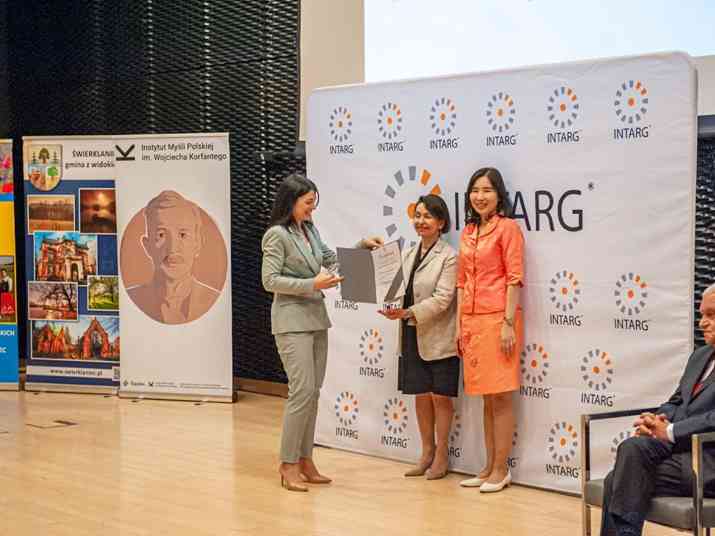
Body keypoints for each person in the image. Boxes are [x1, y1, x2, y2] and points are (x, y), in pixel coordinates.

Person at [261, 173, 382, 492]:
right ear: (291, 201)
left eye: (314, 203)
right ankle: (288, 463)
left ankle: (305, 460)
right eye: (308, 203)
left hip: (316, 319)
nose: (312, 209)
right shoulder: (276, 235)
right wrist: (311, 284)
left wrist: (361, 248)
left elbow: (331, 260)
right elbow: (269, 280)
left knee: (313, 394)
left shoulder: (309, 229)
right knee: (301, 392)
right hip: (291, 322)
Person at [600, 285, 715, 536]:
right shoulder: (700, 356)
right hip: (679, 453)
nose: (702, 323)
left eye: (711, 315)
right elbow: (677, 401)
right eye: (701, 315)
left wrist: (671, 431)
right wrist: (656, 420)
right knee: (631, 450)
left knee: (615, 480)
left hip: (707, 462)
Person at [379, 194, 459, 480]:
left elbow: (443, 299)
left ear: (441, 223)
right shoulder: (408, 253)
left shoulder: (449, 256)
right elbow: (396, 288)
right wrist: (393, 307)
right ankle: (426, 452)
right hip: (411, 333)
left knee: (440, 398)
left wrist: (409, 312)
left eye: (428, 216)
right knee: (421, 396)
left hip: (439, 337)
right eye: (418, 215)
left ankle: (442, 455)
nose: (421, 221)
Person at [457, 167, 525, 493]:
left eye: (487, 190)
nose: (480, 196)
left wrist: (508, 323)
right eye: (475, 190)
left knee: (500, 396)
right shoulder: (468, 231)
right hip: (471, 322)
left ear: (499, 195)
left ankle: (501, 469)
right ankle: (487, 466)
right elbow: (461, 282)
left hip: (499, 320)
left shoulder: (508, 228)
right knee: (486, 399)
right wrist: (460, 324)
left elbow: (514, 278)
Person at [126, 190, 220, 325]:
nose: (173, 248)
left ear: (197, 243)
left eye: (183, 235)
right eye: (161, 235)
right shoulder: (133, 299)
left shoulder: (212, 299)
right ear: (147, 246)